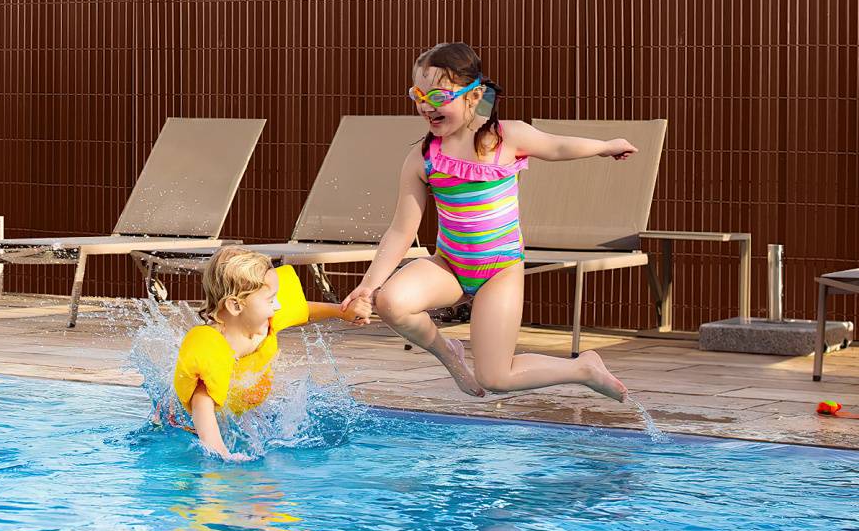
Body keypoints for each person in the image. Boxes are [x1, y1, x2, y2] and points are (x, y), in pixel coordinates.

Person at [341, 41, 633, 403]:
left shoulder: (505, 138)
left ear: (473, 94)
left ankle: (583, 368)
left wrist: (605, 145)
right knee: (390, 302)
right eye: (417, 95)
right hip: (449, 265)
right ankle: (448, 353)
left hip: (500, 271)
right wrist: (369, 286)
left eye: (438, 95)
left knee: (496, 377)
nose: (425, 105)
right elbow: (402, 229)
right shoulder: (421, 159)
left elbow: (557, 146)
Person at [173, 247, 372, 460]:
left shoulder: (263, 320)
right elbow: (201, 402)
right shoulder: (215, 344)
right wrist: (221, 453)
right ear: (235, 305)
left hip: (241, 407)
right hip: (189, 422)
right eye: (270, 300)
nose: (277, 306)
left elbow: (301, 309)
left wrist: (341, 313)